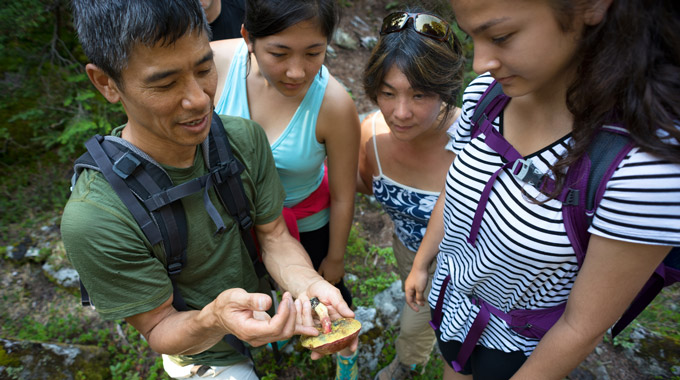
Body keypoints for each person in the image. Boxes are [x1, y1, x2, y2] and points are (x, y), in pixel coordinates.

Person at [62, 1, 355, 379]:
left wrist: (310, 284)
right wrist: (215, 319)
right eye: (165, 83)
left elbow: (274, 235)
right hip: (200, 353)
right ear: (106, 82)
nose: (199, 99)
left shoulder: (244, 140)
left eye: (204, 69)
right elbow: (158, 326)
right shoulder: (96, 219)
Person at [404, 0, 680, 379]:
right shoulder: (488, 94)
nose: (479, 62)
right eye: (473, 37)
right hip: (452, 307)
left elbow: (581, 326)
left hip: (521, 348)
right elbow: (454, 193)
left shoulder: (645, 170)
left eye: (500, 36)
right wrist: (423, 264)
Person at [211, 1, 361, 378]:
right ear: (248, 37)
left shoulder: (334, 104)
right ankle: (274, 331)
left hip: (306, 218)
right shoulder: (213, 65)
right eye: (279, 53)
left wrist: (336, 258)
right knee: (258, 286)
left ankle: (345, 353)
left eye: (314, 53)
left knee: (327, 293)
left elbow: (344, 194)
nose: (297, 71)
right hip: (234, 216)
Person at [356, 9, 464, 380]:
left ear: (446, 88)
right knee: (417, 309)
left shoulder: (475, 145)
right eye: (387, 93)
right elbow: (360, 184)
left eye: (419, 95)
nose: (400, 113)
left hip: (463, 265)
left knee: (417, 323)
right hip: (405, 249)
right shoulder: (369, 135)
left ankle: (407, 365)